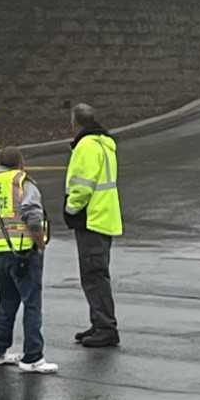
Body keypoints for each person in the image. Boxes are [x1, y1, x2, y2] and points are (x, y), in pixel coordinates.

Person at [0, 148, 58, 374]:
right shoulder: (22, 183)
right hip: (24, 251)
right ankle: (33, 357)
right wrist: (39, 241)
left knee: (6, 301)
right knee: (32, 303)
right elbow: (32, 213)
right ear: (20, 162)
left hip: (0, 251)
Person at [64, 101, 122, 348]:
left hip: (91, 218)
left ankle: (106, 327)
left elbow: (82, 185)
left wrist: (70, 208)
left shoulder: (86, 146)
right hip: (104, 216)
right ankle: (99, 322)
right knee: (96, 273)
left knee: (94, 275)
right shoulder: (104, 143)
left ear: (75, 123)